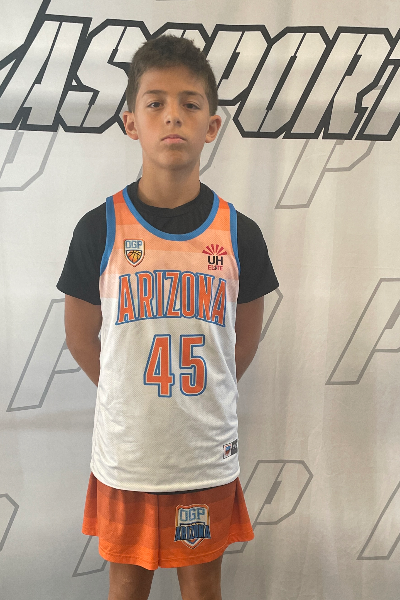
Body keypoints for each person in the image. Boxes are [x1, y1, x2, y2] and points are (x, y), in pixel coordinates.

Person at [57, 35, 279, 600]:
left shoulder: (240, 233)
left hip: (204, 453)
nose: (172, 115)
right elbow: (80, 337)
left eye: (189, 103)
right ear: (131, 122)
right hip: (128, 454)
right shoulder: (99, 228)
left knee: (202, 588)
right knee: (127, 586)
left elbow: (243, 343)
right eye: (155, 103)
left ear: (212, 125)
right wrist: (128, 397)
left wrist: (200, 401)